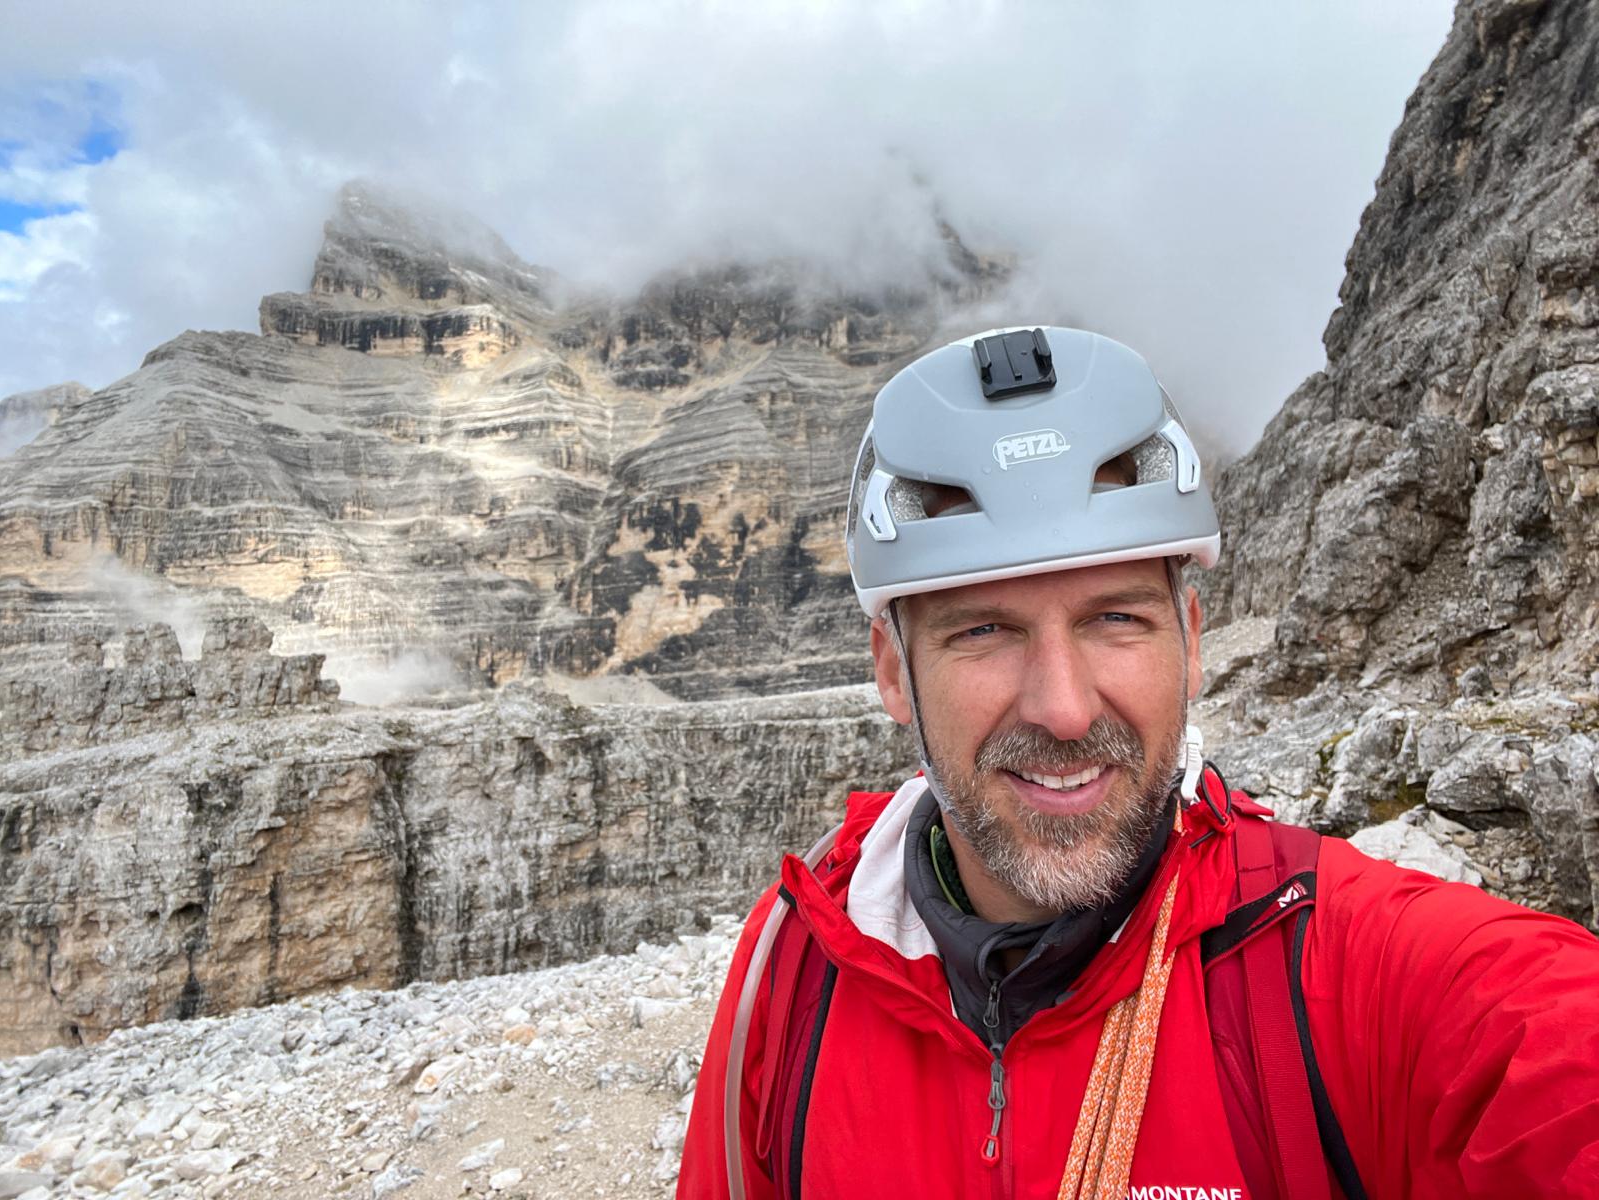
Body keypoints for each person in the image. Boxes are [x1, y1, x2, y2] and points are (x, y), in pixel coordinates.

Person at [676, 327, 1599, 1200]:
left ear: (1191, 642)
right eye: (983, 630)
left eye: (1115, 618)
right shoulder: (793, 971)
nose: (1065, 708)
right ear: (893, 672)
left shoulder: (1334, 970)